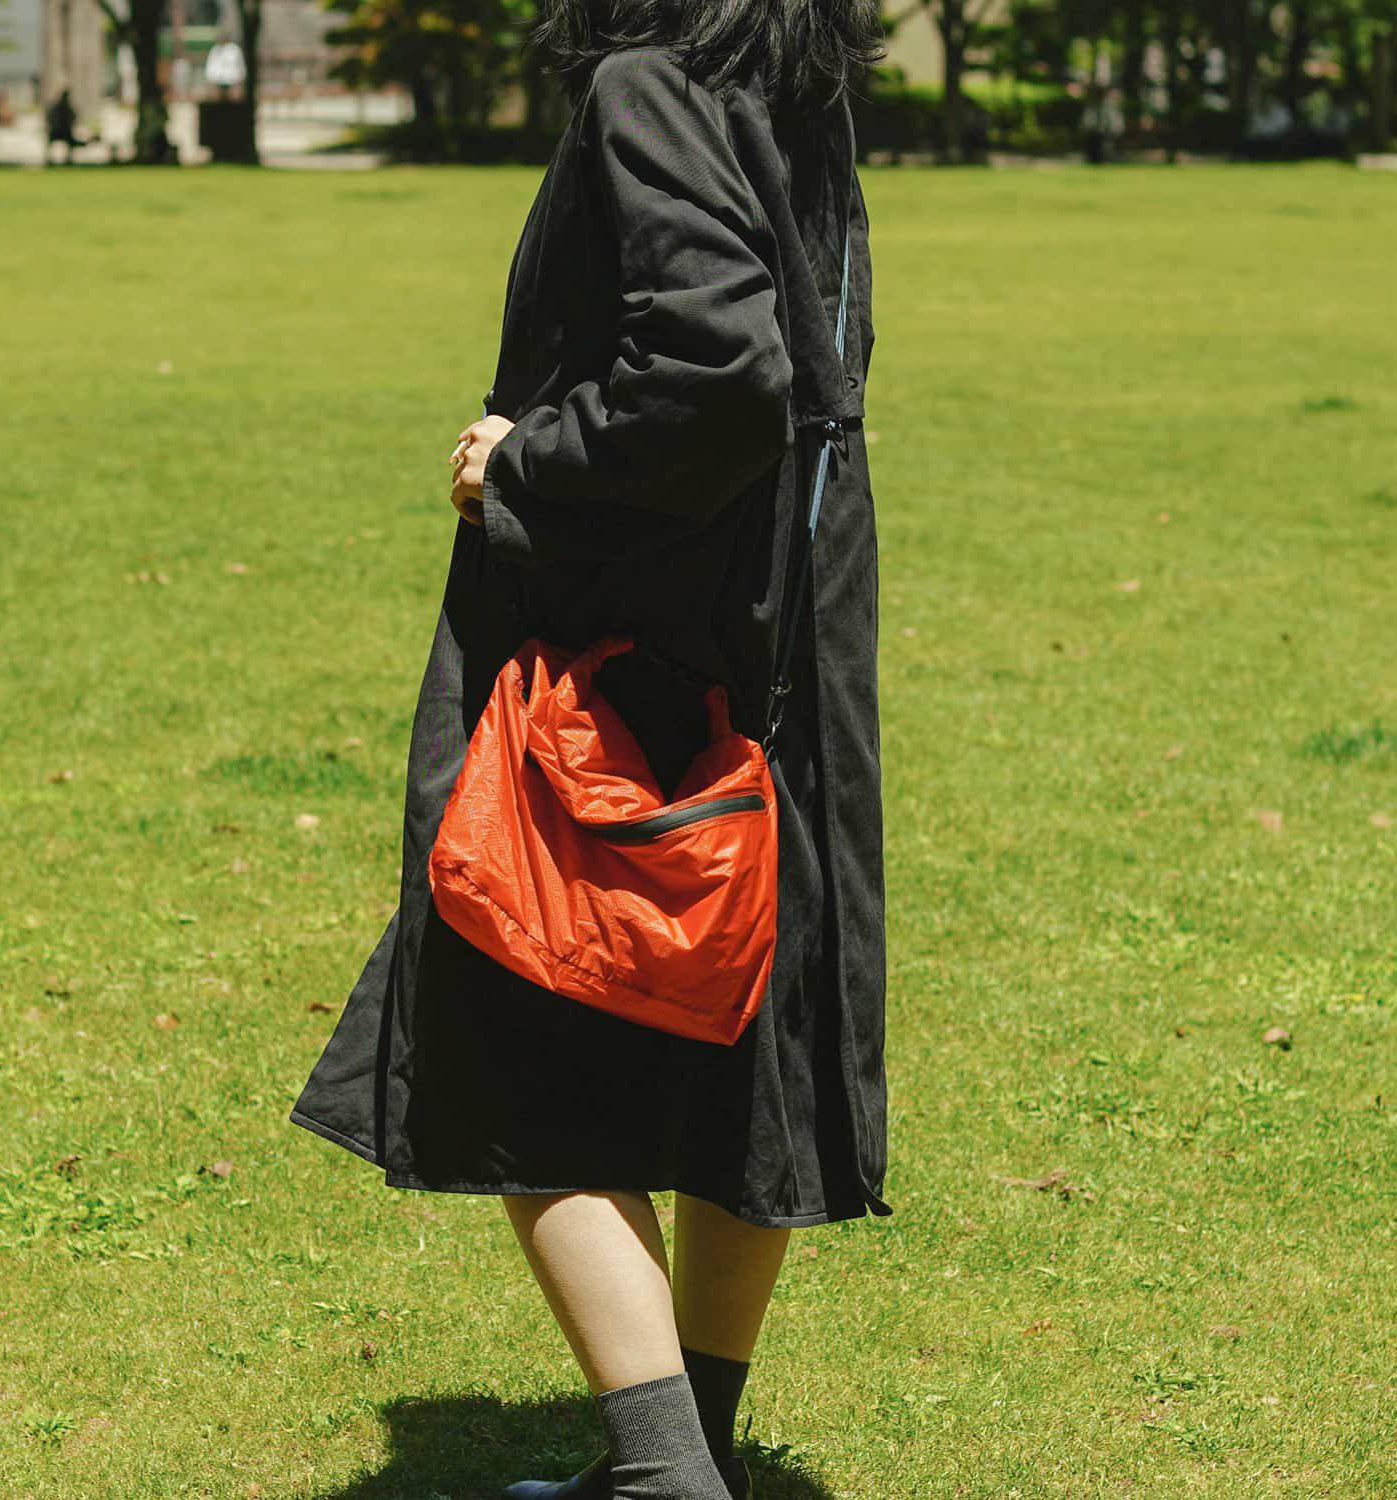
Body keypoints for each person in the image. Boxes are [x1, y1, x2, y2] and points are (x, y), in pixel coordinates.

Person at [288, 4, 892, 1496]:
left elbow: (720, 368)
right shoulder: (789, 83)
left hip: (636, 631)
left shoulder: (647, 83)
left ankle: (665, 1476)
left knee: (508, 1019)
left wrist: (529, 461)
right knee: (741, 1025)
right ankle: (692, 1453)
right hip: (784, 620)